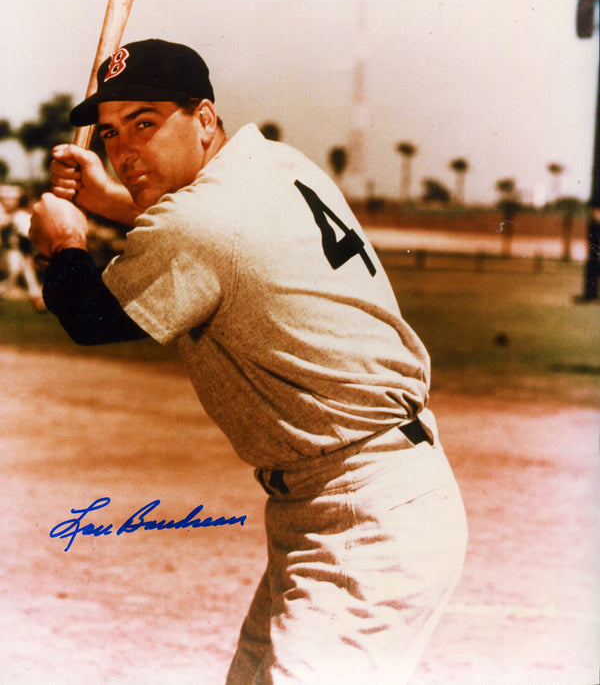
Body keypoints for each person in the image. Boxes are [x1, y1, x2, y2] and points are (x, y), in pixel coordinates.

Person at [29, 38, 468, 684]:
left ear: (204, 119)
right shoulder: (274, 165)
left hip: (363, 514)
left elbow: (93, 318)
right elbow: (211, 234)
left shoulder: (202, 222)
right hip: (372, 495)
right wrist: (108, 203)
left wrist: (61, 241)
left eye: (145, 122)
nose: (122, 151)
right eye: (113, 131)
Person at [0, 186, 46, 311]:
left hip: (23, 251)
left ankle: (39, 304)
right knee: (12, 276)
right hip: (13, 251)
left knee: (30, 277)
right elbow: (27, 235)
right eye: (33, 202)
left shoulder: (26, 215)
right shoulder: (20, 215)